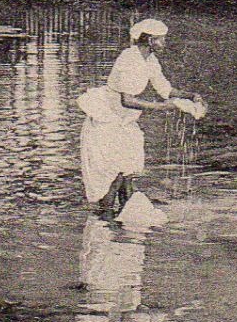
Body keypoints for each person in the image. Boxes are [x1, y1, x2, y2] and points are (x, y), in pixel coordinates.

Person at [78, 19, 203, 213]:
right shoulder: (129, 59)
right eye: (162, 40)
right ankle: (104, 221)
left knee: (128, 173)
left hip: (125, 122)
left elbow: (165, 88)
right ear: (151, 40)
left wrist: (191, 96)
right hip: (107, 122)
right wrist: (161, 108)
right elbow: (126, 100)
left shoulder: (150, 61)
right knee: (114, 176)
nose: (165, 43)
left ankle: (124, 221)